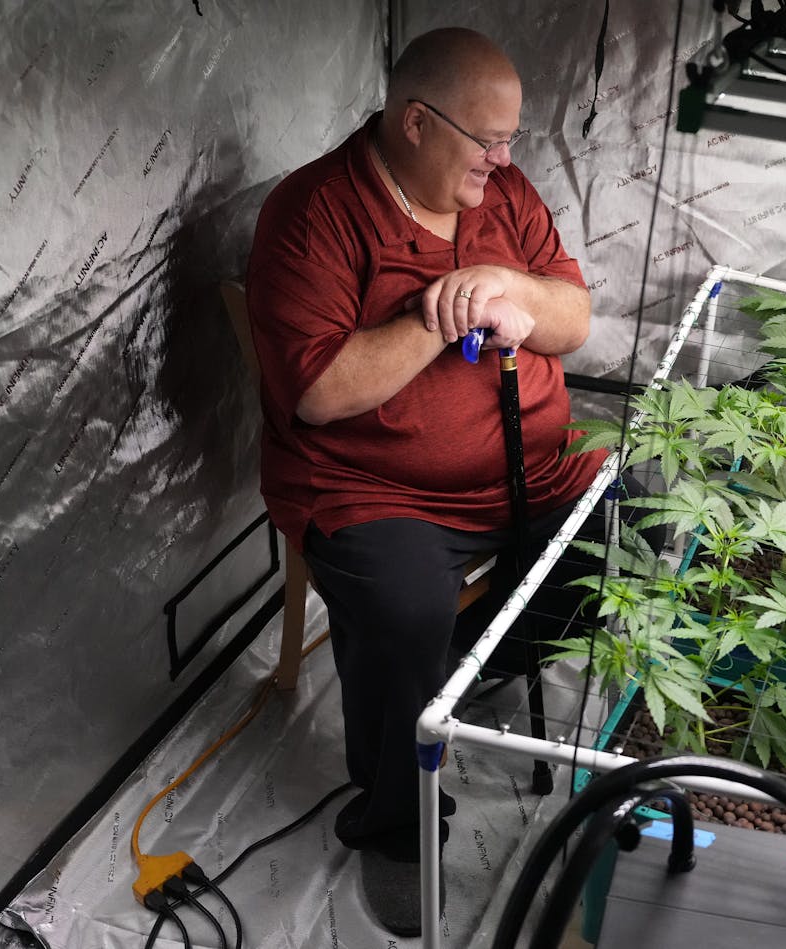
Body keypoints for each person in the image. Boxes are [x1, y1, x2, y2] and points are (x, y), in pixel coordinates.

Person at [246, 27, 605, 936]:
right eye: (488, 139)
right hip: (375, 490)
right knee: (407, 603)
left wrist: (500, 280)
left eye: (513, 139)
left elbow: (573, 317)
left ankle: (440, 679)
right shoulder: (316, 214)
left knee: (628, 532)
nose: (503, 158)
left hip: (530, 470)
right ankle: (395, 827)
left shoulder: (505, 197)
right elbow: (320, 391)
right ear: (415, 122)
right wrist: (436, 317)